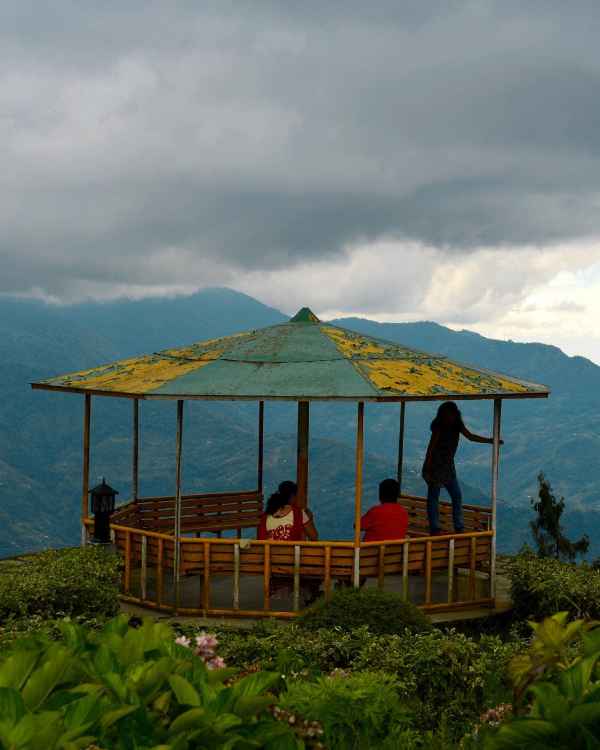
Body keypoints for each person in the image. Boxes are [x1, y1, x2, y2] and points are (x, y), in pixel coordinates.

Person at [422, 401, 502, 535]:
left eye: (451, 413)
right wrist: (427, 466)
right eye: (448, 414)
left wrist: (490, 441)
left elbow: (471, 437)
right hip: (436, 465)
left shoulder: (457, 426)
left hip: (447, 466)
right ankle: (436, 528)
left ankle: (457, 527)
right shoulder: (439, 427)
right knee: (435, 497)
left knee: (454, 495)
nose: (450, 416)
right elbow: (431, 447)